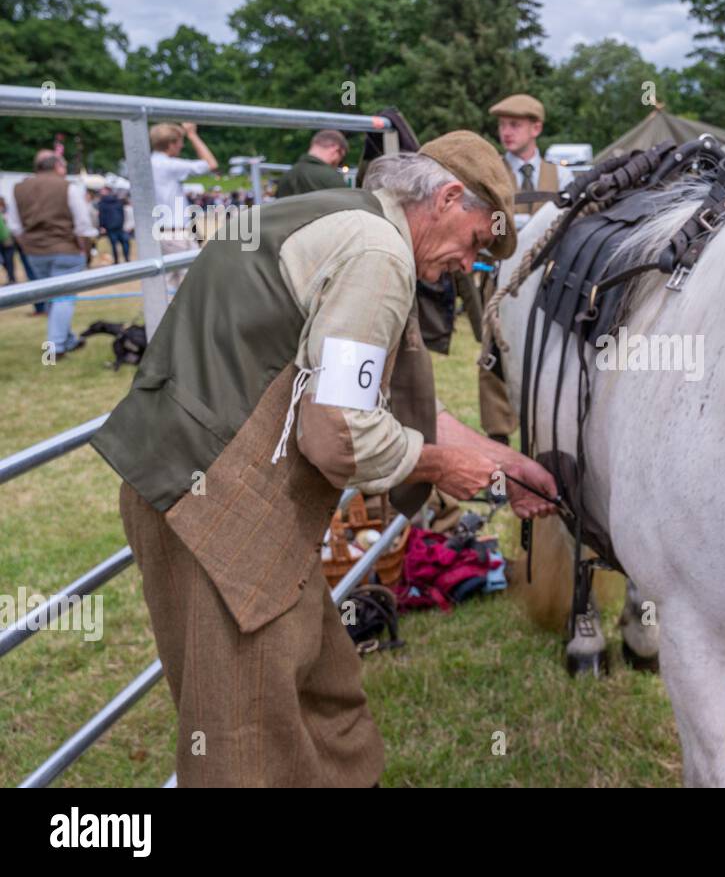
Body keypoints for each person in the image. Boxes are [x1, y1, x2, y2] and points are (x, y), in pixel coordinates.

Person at [91, 132, 559, 787]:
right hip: (218, 515)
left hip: (215, 495)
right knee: (245, 742)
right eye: (477, 242)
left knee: (326, 689)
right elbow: (338, 428)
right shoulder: (377, 254)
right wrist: (436, 466)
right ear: (450, 197)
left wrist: (501, 461)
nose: (467, 265)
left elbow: (355, 398)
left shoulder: (335, 216)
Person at [483, 93, 574, 444]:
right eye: (503, 125)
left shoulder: (560, 176)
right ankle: (499, 443)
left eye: (515, 125)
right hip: (500, 276)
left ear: (536, 128)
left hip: (548, 278)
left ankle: (549, 431)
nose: (506, 132)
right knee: (494, 353)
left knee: (550, 348)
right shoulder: (493, 175)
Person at [10, 150, 97, 356]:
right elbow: (83, 224)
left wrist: (28, 245)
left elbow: (15, 225)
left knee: (53, 297)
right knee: (63, 297)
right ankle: (55, 346)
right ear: (57, 167)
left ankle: (67, 340)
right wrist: (83, 247)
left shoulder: (18, 188)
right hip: (65, 249)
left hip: (34, 252)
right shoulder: (67, 187)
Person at [150, 121, 218, 291]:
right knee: (192, 285)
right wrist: (192, 135)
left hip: (159, 232)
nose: (181, 146)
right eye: (180, 142)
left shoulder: (148, 164)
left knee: (166, 287)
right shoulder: (168, 165)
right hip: (176, 232)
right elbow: (211, 164)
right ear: (171, 144)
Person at [276, 130, 350, 199]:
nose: (338, 164)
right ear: (336, 149)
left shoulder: (286, 177)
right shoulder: (332, 178)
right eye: (341, 159)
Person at [96, 187, 130, 263]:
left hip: (110, 227)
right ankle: (127, 258)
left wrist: (102, 226)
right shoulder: (117, 201)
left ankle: (116, 260)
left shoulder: (102, 203)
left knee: (114, 245)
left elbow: (102, 216)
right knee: (124, 242)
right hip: (119, 225)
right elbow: (122, 213)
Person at [0, 197, 16, 284]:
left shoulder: (6, 212)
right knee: (5, 261)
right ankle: (11, 278)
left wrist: (7, 238)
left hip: (7, 240)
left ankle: (12, 278)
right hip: (4, 241)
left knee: (8, 261)